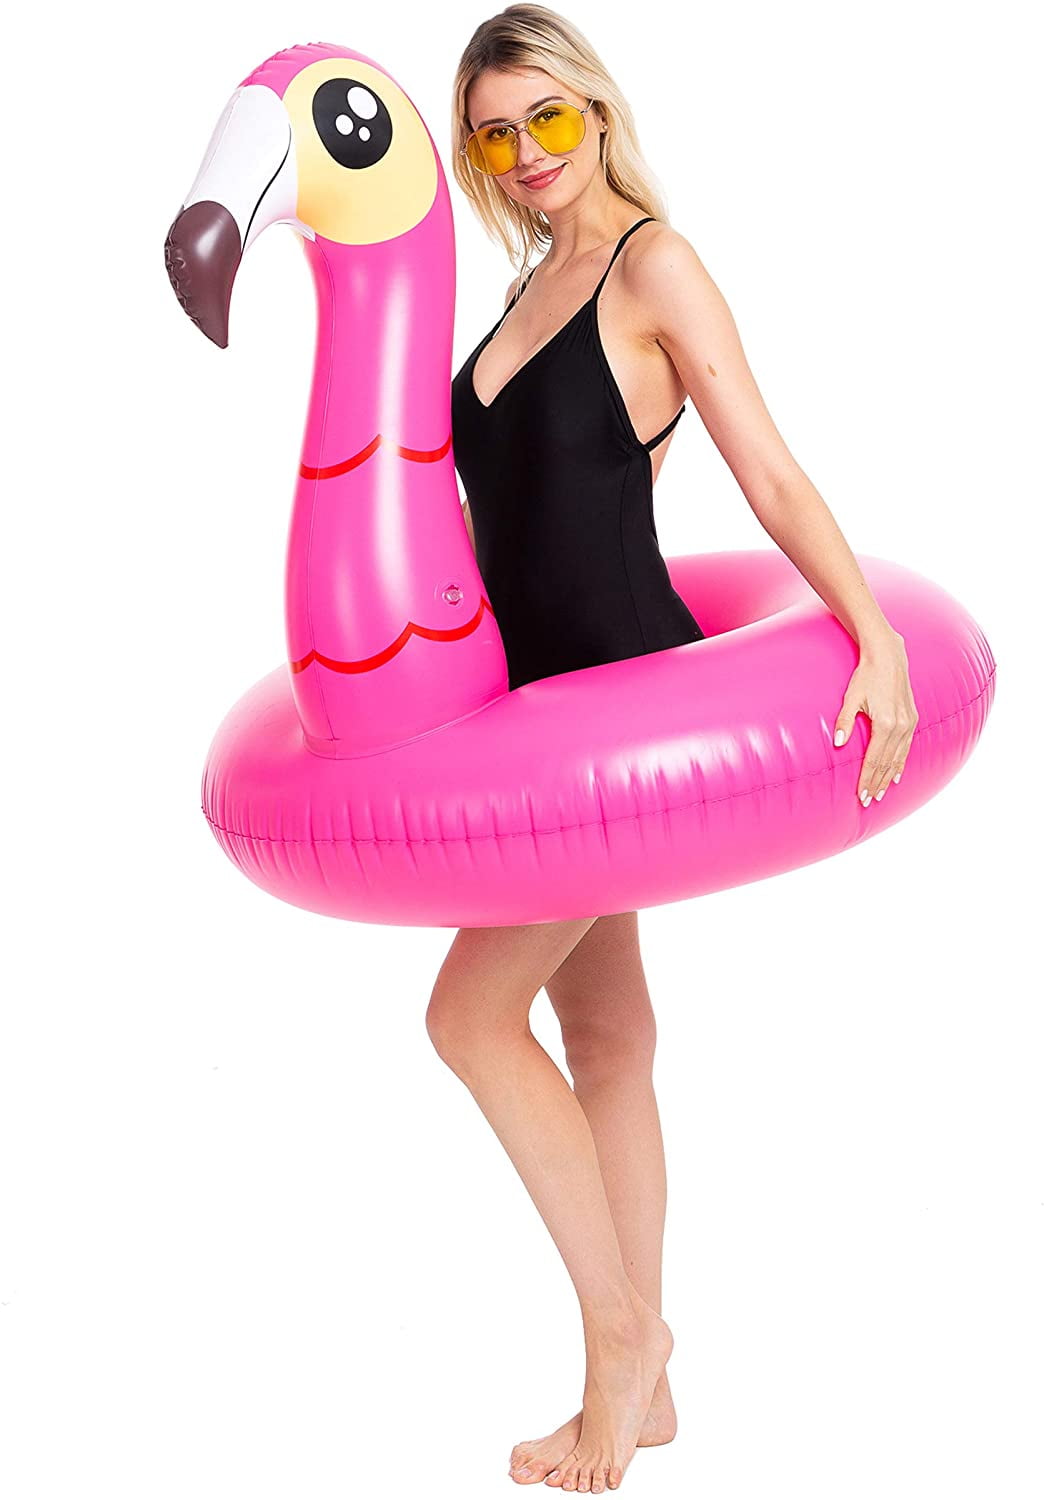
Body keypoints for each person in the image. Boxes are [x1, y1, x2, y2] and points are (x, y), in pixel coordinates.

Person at [435, 6, 919, 1493]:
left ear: (596, 111)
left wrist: (874, 636)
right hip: (528, 720)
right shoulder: (522, 287)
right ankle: (646, 1390)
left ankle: (620, 1339)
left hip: (623, 706)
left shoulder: (654, 266)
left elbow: (764, 464)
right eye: (495, 136)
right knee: (607, 1037)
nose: (526, 154)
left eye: (546, 119)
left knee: (465, 1020)